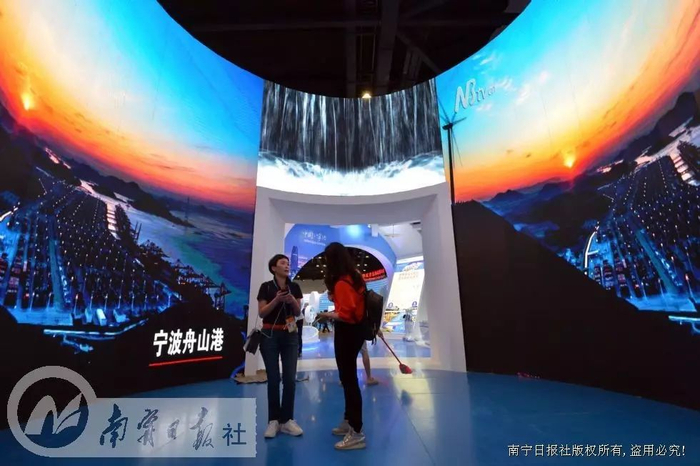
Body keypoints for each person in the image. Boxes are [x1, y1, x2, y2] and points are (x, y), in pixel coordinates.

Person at [316, 242, 367, 450]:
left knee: (349, 380)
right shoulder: (354, 277)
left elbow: (347, 313)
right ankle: (349, 420)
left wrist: (326, 314)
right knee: (348, 379)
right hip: (357, 332)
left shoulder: (342, 282)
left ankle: (356, 431)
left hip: (348, 332)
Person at [257, 254, 304, 439]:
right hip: (269, 335)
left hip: (290, 334)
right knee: (274, 379)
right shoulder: (266, 287)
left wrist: (292, 300)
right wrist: (276, 300)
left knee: (290, 379)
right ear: (273, 268)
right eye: (282, 263)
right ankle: (273, 420)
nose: (287, 266)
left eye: (288, 263)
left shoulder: (295, 287)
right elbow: (262, 313)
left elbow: (298, 312)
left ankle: (287, 420)